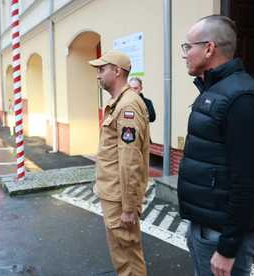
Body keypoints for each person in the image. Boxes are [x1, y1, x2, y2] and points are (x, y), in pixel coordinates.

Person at [177, 15, 254, 276]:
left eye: (188, 47)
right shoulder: (217, 91)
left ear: (208, 49)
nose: (185, 54)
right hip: (208, 225)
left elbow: (247, 181)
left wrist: (228, 248)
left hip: (221, 235)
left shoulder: (242, 99)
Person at [89, 50, 150, 276]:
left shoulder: (127, 107)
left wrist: (128, 207)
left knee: (128, 259)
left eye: (101, 70)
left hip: (119, 198)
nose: (98, 75)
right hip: (113, 194)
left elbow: (130, 161)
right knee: (122, 256)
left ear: (117, 71)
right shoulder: (120, 103)